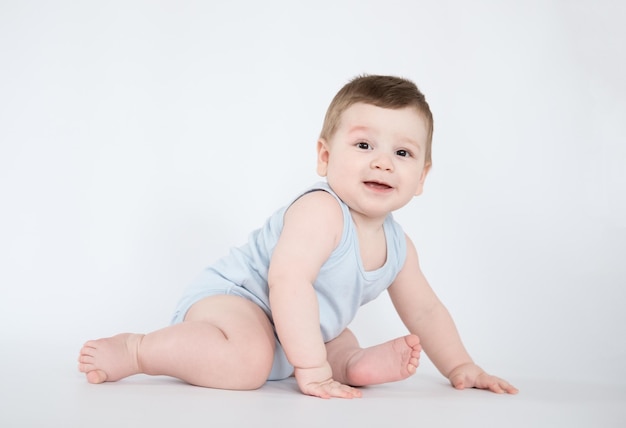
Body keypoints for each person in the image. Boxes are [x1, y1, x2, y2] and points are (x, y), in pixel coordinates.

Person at [78, 75, 518, 399]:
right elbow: (287, 284)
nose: (383, 163)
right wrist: (310, 368)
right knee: (250, 361)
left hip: (300, 327)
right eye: (364, 146)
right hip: (239, 302)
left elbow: (425, 309)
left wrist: (461, 366)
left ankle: (350, 365)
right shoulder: (320, 210)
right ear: (325, 156)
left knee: (339, 341)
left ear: (421, 177)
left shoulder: (399, 248)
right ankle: (138, 351)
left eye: (402, 153)